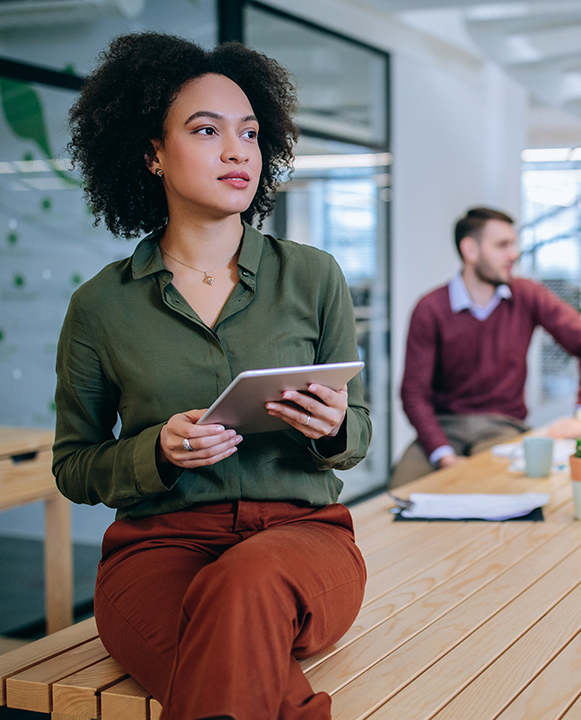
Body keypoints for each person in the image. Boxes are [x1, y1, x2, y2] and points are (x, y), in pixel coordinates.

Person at [54, 33, 368, 720]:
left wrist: (334, 425)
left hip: (302, 543)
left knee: (245, 581)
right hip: (156, 552)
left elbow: (359, 432)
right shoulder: (100, 306)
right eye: (206, 130)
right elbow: (75, 466)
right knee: (237, 675)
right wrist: (155, 453)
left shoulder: (314, 277)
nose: (238, 152)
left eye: (250, 134)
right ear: (152, 153)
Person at [390, 207, 581, 488]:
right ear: (470, 250)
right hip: (444, 429)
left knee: (496, 492)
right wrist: (442, 454)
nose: (514, 254)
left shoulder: (526, 295)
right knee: (399, 493)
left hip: (503, 427)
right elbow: (413, 394)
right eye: (502, 245)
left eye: (513, 244)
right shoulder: (430, 309)